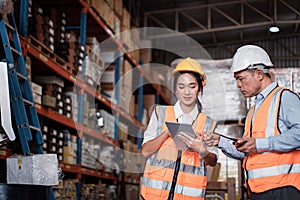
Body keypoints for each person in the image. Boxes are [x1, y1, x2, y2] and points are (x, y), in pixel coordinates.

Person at [204, 45, 300, 200]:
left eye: (241, 79)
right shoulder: (253, 111)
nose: (238, 85)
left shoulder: (284, 98)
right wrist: (219, 140)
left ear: (259, 74)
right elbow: (247, 152)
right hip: (258, 192)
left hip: (284, 189)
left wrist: (260, 144)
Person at [140, 57, 219, 200]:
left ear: (200, 88)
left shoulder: (207, 123)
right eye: (181, 87)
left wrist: (201, 150)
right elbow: (145, 151)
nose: (187, 92)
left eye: (192, 86)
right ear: (175, 88)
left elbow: (213, 160)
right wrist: (165, 134)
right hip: (154, 196)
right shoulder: (160, 114)